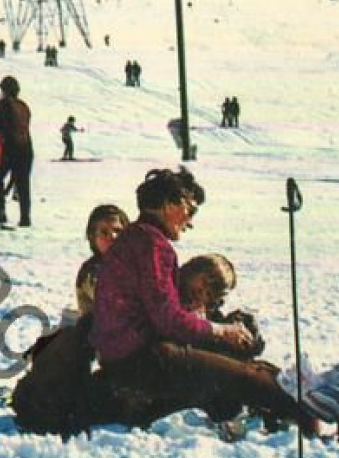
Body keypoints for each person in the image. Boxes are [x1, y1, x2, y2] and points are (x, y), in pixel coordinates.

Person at [89, 168, 319, 432]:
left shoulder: (134, 238)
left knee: (232, 370)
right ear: (168, 205)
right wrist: (220, 331)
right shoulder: (151, 245)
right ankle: (313, 418)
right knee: (242, 377)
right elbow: (167, 320)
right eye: (190, 210)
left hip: (124, 357)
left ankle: (280, 403)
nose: (190, 221)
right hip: (141, 360)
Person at [0, 76, 33, 227]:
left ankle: (0, 211)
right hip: (26, 148)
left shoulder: (1, 105)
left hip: (8, 148)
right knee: (23, 184)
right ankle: (25, 217)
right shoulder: (23, 105)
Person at [73, 203, 130, 319]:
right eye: (104, 232)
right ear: (93, 237)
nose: (113, 236)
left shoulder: (138, 262)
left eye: (118, 231)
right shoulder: (91, 272)